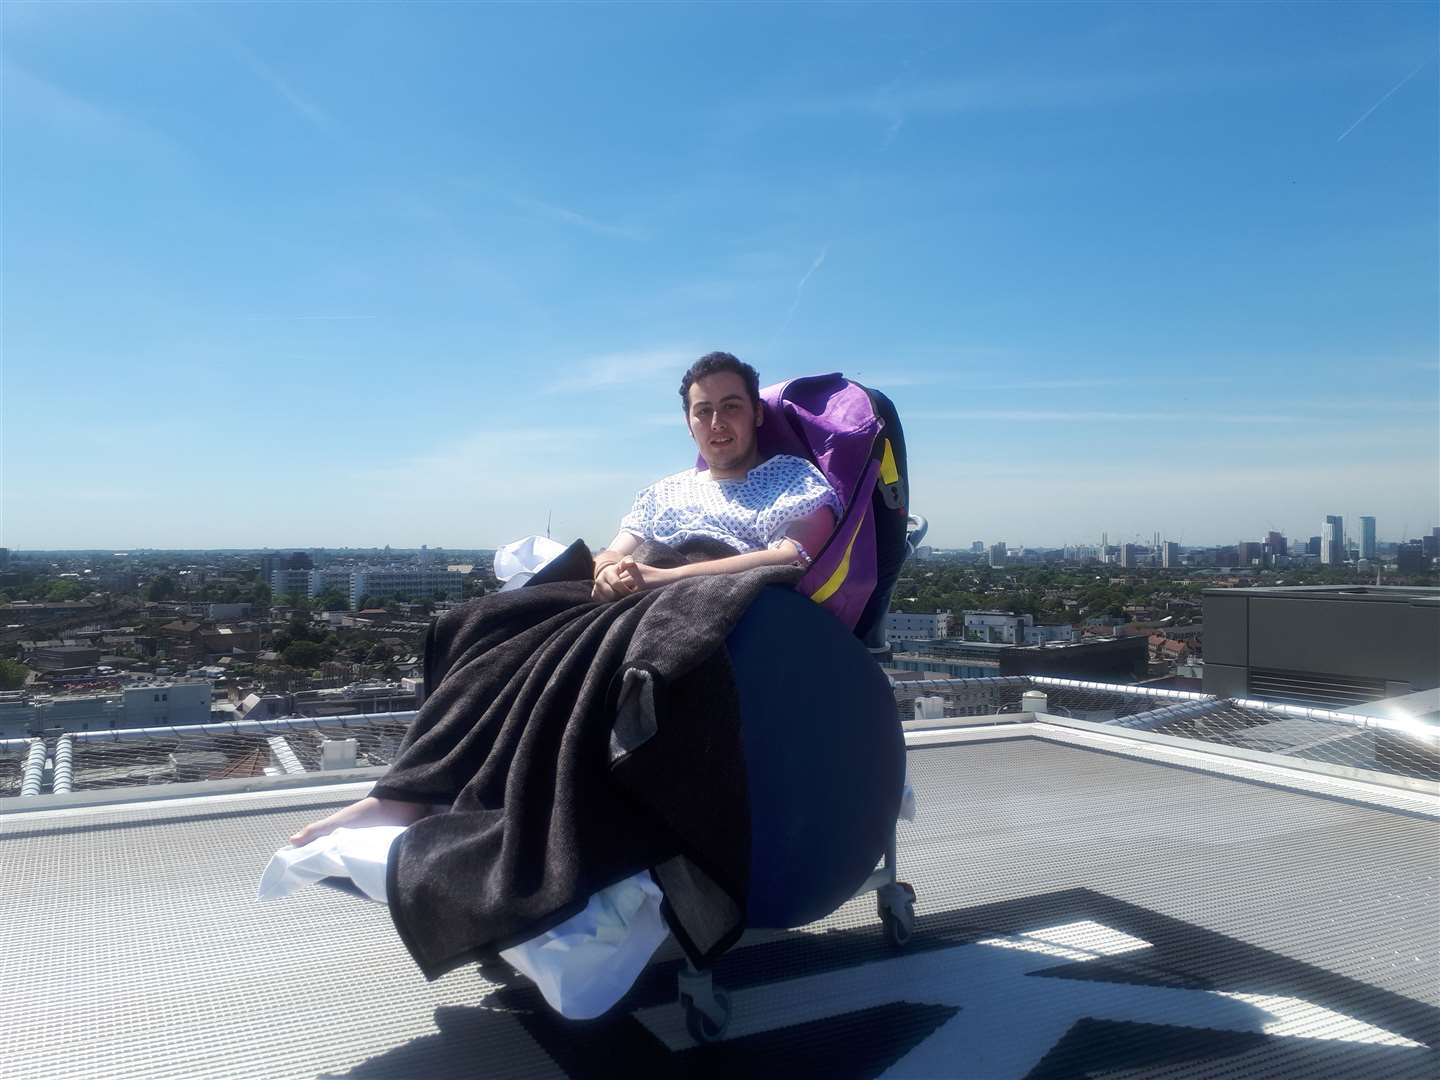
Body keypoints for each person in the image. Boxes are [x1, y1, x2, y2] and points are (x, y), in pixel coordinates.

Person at [289, 351, 839, 846]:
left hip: (709, 602)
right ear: (688, 421)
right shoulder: (667, 491)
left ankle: (469, 803)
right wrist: (607, 572)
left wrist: (660, 580)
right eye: (703, 411)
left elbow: (792, 557)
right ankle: (413, 787)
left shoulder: (792, 479)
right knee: (485, 623)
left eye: (731, 406)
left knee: (580, 649)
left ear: (757, 414)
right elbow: (613, 552)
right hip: (641, 589)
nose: (717, 423)